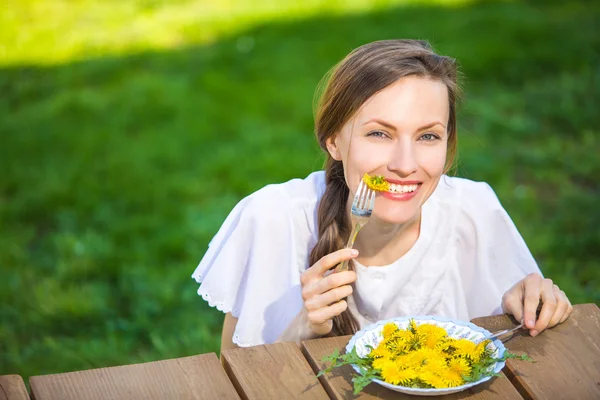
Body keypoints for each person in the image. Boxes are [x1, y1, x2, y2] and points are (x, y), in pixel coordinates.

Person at [192, 39, 573, 351]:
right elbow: (233, 374)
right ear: (333, 141)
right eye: (379, 134)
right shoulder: (273, 218)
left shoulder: (474, 211)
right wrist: (301, 327)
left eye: (428, 136)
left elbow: (522, 326)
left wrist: (534, 298)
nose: (405, 165)